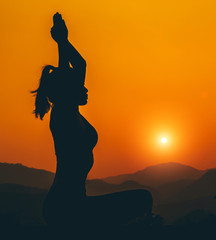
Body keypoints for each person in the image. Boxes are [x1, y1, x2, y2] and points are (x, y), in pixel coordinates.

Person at [31, 13, 153, 230]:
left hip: (73, 203)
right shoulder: (63, 116)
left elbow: (73, 71)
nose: (85, 88)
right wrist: (62, 42)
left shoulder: (68, 109)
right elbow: (76, 70)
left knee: (142, 199)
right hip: (65, 207)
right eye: (80, 87)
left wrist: (62, 42)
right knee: (143, 200)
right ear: (67, 92)